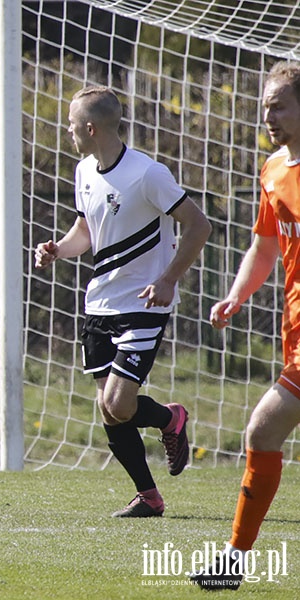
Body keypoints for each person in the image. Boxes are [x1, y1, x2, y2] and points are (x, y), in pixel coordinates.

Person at [34, 86, 211, 518]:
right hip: (99, 305)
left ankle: (171, 419)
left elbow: (198, 226)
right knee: (110, 412)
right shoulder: (83, 171)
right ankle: (148, 496)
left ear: (91, 128)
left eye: (73, 125)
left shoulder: (148, 174)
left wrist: (169, 280)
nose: (69, 131)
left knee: (118, 405)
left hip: (143, 305)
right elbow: (87, 232)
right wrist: (59, 248)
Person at [190, 61, 300, 591]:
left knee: (262, 429)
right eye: (264, 107)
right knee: (263, 431)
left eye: (279, 105)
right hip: (295, 332)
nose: (268, 116)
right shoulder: (274, 169)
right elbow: (265, 244)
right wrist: (237, 293)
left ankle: (233, 560)